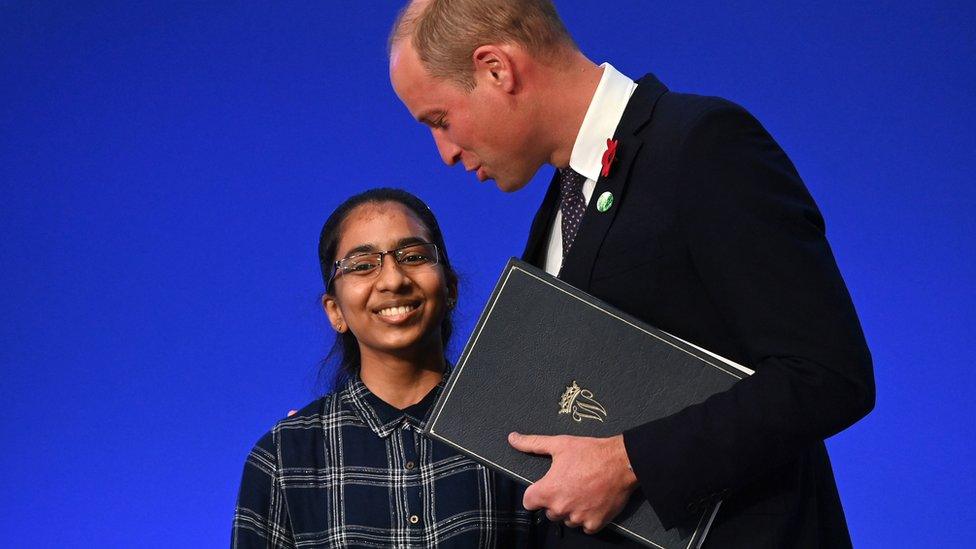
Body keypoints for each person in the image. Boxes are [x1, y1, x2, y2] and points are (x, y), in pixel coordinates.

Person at [388, 1, 875, 547]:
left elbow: (828, 375)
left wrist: (628, 463)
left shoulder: (704, 145)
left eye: (440, 120)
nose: (445, 153)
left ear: (496, 69)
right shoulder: (561, 201)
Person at [231, 188, 536, 548]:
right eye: (362, 265)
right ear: (335, 311)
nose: (393, 280)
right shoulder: (284, 456)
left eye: (413, 256)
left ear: (450, 288)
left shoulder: (519, 431)